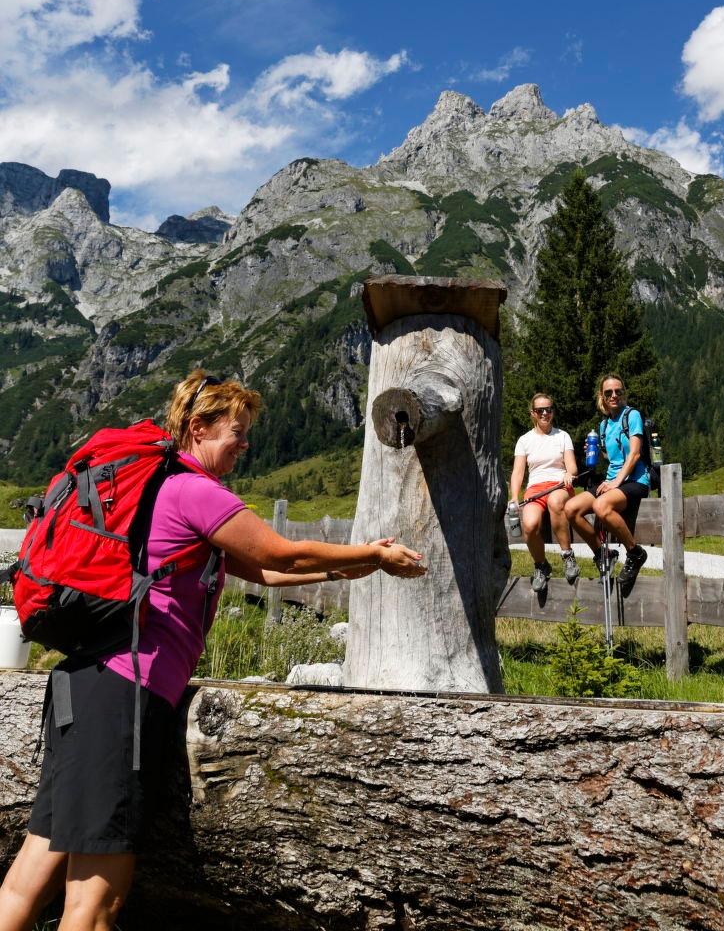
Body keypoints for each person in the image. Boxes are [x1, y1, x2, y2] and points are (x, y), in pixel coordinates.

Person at [0, 370, 425, 931]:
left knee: (28, 876)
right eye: (237, 431)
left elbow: (268, 571)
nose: (245, 443)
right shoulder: (192, 490)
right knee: (96, 905)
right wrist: (371, 553)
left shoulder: (162, 492)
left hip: (82, 684)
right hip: (122, 697)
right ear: (198, 428)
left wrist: (365, 562)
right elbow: (284, 553)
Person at [564, 374, 649, 599]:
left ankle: (635, 552)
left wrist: (616, 483)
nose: (614, 396)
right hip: (612, 481)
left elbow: (635, 453)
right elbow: (610, 456)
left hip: (635, 481)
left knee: (602, 507)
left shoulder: (632, 415)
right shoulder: (603, 425)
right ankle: (603, 554)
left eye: (618, 391)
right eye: (609, 392)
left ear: (624, 393)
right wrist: (594, 451)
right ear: (602, 396)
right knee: (571, 509)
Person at [509, 393, 580, 592]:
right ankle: (541, 565)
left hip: (559, 485)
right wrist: (515, 496)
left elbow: (572, 467)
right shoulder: (524, 440)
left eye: (549, 409)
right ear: (533, 413)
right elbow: (518, 472)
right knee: (530, 526)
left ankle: (567, 556)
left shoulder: (562, 436)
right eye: (540, 410)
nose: (545, 413)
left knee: (556, 503)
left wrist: (568, 474)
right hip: (535, 489)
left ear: (553, 412)